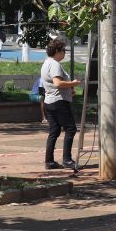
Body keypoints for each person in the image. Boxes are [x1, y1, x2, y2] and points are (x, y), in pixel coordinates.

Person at [41, 37, 81, 171]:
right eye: (63, 50)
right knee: (71, 129)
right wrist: (73, 84)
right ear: (57, 51)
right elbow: (58, 83)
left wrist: (69, 90)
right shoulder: (54, 64)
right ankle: (67, 159)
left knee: (55, 130)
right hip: (59, 102)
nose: (64, 53)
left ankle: (49, 161)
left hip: (49, 102)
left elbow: (52, 85)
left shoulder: (46, 63)